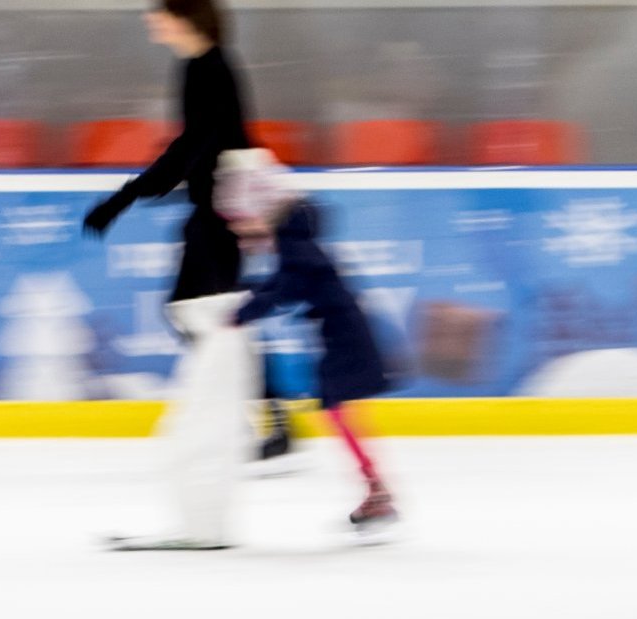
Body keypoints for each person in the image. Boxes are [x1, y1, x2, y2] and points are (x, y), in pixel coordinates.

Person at [81, 0, 296, 463]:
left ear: (186, 19)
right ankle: (265, 415)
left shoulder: (212, 67)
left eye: (161, 13)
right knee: (207, 315)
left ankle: (263, 416)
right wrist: (135, 193)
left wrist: (128, 195)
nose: (151, 19)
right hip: (213, 210)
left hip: (220, 215)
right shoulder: (199, 66)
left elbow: (201, 143)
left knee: (203, 314)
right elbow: (195, 145)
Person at [217, 149, 399, 535]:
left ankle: (377, 492)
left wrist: (241, 313)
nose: (242, 235)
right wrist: (248, 297)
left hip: (346, 338)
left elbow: (288, 285)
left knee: (335, 409)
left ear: (262, 209)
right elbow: (285, 281)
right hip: (342, 335)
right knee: (335, 410)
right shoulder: (295, 238)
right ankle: (376, 490)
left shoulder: (294, 243)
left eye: (243, 222)